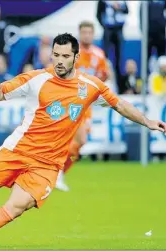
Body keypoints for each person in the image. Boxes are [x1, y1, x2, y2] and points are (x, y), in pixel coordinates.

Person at [0, 33, 166, 249]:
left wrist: (147, 121)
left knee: (16, 208)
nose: (59, 60)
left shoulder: (90, 86)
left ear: (76, 58)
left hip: (47, 166)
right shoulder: (37, 79)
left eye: (65, 56)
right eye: (56, 55)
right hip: (16, 151)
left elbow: (120, 105)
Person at [56, 21, 109, 192]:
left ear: (93, 35)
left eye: (89, 32)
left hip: (86, 105)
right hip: (70, 102)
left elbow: (102, 76)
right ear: (79, 34)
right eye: (84, 32)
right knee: (78, 140)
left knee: (77, 144)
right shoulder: (72, 53)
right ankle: (57, 173)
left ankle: (57, 172)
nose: (86, 35)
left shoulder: (99, 55)